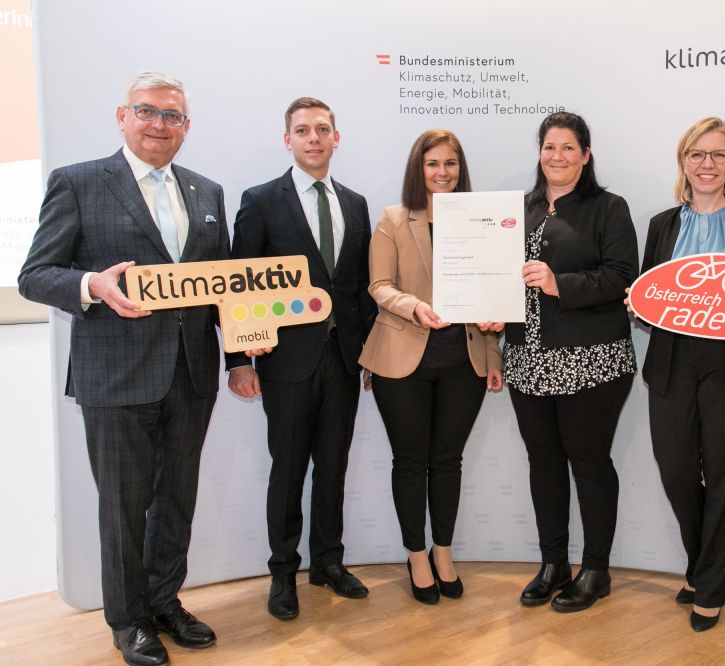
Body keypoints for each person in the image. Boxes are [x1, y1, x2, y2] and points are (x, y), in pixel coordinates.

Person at [18, 72, 228, 666]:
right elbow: (36, 273)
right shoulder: (79, 182)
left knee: (175, 499)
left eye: (173, 117)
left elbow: (224, 290)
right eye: (148, 112)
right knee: (123, 505)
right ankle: (128, 620)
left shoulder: (207, 192)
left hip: (190, 374)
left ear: (186, 126)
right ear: (122, 116)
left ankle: (165, 601)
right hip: (114, 377)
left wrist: (243, 348)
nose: (160, 125)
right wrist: (91, 285)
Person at [226, 97, 377, 621]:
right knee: (288, 471)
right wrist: (238, 361)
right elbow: (239, 285)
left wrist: (370, 357)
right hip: (285, 362)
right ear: (286, 140)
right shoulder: (261, 200)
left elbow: (357, 289)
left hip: (343, 360)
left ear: (338, 137)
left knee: (333, 467)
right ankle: (283, 573)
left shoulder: (355, 204)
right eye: (302, 130)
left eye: (322, 129)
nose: (313, 138)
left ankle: (328, 563)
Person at [635, 117, 725, 632]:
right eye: (696, 154)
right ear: (683, 162)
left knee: (723, 477)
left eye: (718, 155)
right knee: (676, 472)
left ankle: (710, 586)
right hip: (671, 363)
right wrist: (639, 306)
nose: (706, 164)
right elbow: (647, 290)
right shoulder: (661, 225)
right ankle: (702, 565)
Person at [358, 129, 503, 605]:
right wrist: (413, 306)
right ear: (417, 169)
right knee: (411, 461)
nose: (443, 173)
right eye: (433, 164)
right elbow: (379, 285)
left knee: (447, 462)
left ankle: (443, 551)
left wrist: (495, 354)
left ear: (461, 170)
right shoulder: (394, 219)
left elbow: (492, 293)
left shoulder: (480, 220)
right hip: (404, 359)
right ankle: (416, 554)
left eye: (451, 164)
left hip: (465, 359)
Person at [504, 111, 639, 613]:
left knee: (589, 461)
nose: (557, 156)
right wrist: (495, 311)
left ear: (586, 154)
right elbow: (499, 277)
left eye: (568, 147)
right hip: (527, 359)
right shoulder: (519, 209)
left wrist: (559, 282)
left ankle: (597, 569)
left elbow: (624, 277)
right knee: (543, 463)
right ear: (539, 152)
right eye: (549, 147)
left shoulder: (609, 207)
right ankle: (553, 563)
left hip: (592, 361)